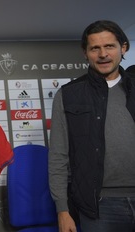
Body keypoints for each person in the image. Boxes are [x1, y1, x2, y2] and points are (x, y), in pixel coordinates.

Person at [49, 20, 135, 232]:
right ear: (85, 53)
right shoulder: (68, 95)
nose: (103, 54)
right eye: (95, 48)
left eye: (109, 46)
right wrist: (63, 210)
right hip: (98, 205)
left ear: (123, 48)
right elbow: (58, 156)